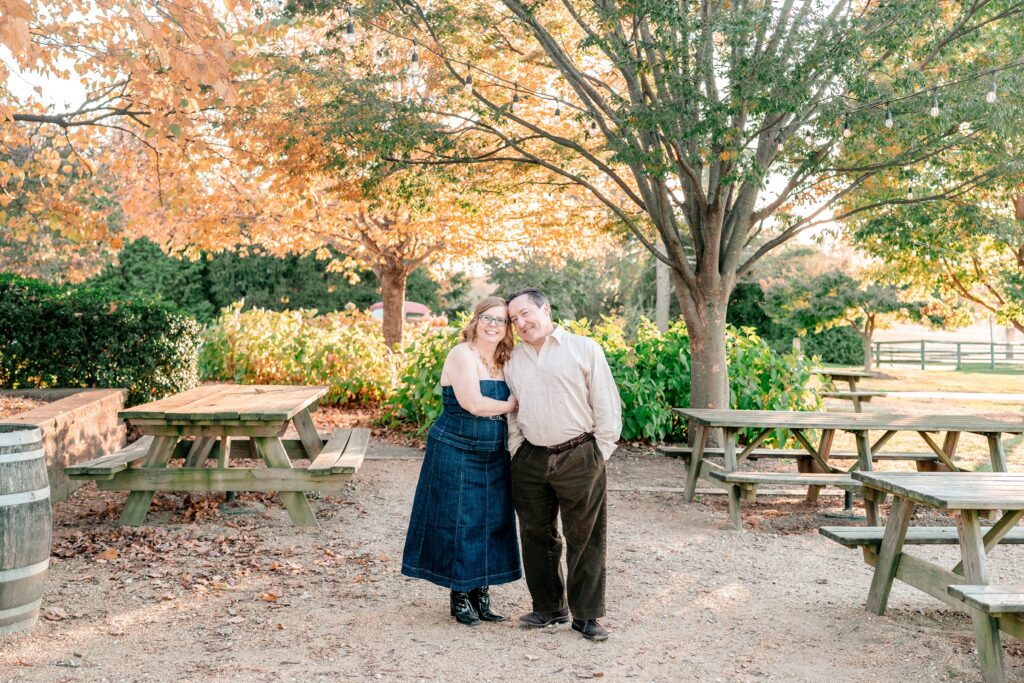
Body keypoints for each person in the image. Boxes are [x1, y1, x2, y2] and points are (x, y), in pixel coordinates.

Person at [504, 287, 622, 642]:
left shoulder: (584, 349)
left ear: (545, 309)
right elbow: (513, 412)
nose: (521, 323)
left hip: (580, 453)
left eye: (526, 313)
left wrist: (599, 452)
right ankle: (550, 607)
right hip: (531, 457)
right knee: (536, 535)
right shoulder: (512, 360)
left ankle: (586, 616)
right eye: (514, 319)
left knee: (585, 537)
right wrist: (516, 450)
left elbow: (606, 405)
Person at [401, 296, 522, 626]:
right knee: (458, 521)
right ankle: (459, 595)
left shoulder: (504, 358)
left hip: (494, 453)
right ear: (476, 319)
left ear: (507, 328)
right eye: (488, 318)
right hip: (455, 447)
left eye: (501, 320)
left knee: (491, 521)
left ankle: (482, 594)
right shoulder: (462, 354)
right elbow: (473, 403)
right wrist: (511, 405)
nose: (493, 325)